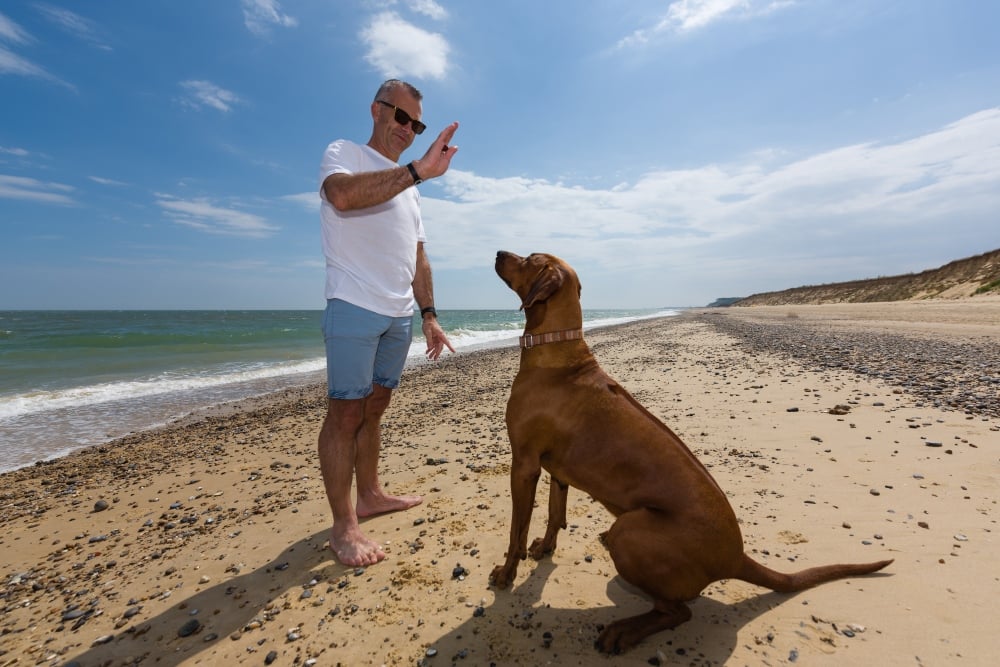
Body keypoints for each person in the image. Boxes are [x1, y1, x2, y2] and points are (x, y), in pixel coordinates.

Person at [317, 79, 458, 567]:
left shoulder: (411, 190)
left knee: (375, 409)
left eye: (416, 125)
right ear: (377, 109)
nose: (409, 130)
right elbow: (341, 197)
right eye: (402, 118)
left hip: (399, 315)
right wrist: (417, 171)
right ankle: (343, 527)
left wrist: (430, 316)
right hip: (353, 304)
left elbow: (418, 257)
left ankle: (370, 494)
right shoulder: (346, 153)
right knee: (345, 415)